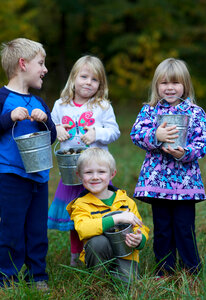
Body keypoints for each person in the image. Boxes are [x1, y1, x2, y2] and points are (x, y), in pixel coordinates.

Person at [0, 38, 56, 290]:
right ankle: (7, 277)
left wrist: (46, 122)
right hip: (11, 176)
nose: (44, 69)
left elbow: (51, 136)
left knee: (37, 229)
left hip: (39, 176)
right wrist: (8, 117)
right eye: (40, 63)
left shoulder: (39, 102)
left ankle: (37, 275)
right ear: (23, 64)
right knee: (12, 227)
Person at [130, 58, 206, 276]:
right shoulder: (149, 111)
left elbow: (203, 142)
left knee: (185, 228)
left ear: (185, 85)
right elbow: (136, 135)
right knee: (163, 228)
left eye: (175, 83)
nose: (170, 87)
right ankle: (164, 270)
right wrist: (155, 135)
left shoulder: (195, 112)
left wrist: (186, 153)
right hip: (157, 181)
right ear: (157, 86)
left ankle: (191, 269)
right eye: (164, 83)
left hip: (185, 182)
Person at [47, 55, 120, 266]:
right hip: (72, 173)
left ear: (101, 85)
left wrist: (97, 133)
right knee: (76, 218)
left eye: (94, 79)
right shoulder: (61, 105)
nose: (88, 82)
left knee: (98, 213)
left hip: (96, 171)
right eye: (84, 76)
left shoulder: (102, 106)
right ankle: (76, 257)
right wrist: (57, 128)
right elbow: (49, 128)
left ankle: (102, 253)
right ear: (73, 79)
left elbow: (114, 132)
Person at [66, 148, 149, 282]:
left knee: (128, 285)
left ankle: (119, 274)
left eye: (101, 172)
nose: (95, 177)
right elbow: (83, 229)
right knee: (98, 241)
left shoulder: (125, 201)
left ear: (112, 174)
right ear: (79, 175)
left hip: (125, 254)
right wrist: (116, 218)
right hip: (99, 253)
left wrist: (140, 239)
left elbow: (140, 227)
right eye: (88, 172)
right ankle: (98, 279)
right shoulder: (81, 204)